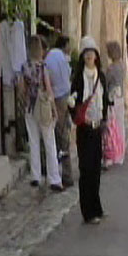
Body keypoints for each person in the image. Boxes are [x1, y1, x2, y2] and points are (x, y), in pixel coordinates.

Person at [70, 36, 109, 224]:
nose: (89, 56)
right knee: (85, 169)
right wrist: (78, 115)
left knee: (95, 169)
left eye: (92, 52)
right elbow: (72, 102)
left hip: (97, 127)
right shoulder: (79, 78)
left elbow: (105, 99)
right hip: (84, 129)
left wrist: (105, 120)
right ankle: (88, 212)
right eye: (86, 53)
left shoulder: (100, 77)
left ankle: (96, 207)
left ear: (96, 55)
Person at [19, 36, 63, 192]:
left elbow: (21, 89)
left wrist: (26, 99)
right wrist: (54, 109)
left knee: (34, 141)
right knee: (49, 142)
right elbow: (48, 89)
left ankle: (35, 176)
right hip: (43, 106)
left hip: (30, 108)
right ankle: (54, 178)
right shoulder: (42, 67)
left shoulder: (24, 67)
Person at [45, 35, 74, 187]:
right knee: (63, 136)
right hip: (63, 97)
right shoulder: (62, 57)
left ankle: (55, 171)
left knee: (56, 136)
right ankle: (66, 174)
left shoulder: (50, 58)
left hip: (56, 97)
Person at [105, 41, 126, 166]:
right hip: (120, 97)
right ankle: (120, 153)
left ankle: (112, 152)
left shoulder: (111, 68)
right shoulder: (122, 66)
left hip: (112, 98)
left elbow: (106, 83)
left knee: (112, 126)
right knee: (120, 125)